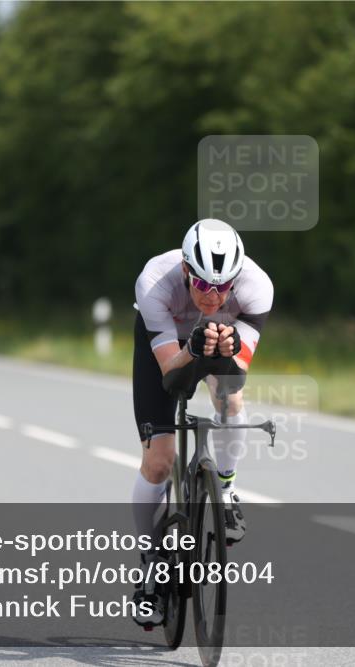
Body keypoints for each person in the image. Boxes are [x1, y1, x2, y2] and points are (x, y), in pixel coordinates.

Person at [130, 218, 273, 625]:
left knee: (230, 398)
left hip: (215, 340)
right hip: (166, 347)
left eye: (223, 286)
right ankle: (153, 566)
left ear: (237, 279)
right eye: (204, 285)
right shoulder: (156, 281)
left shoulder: (256, 287)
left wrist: (223, 352)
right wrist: (192, 348)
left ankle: (224, 487)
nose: (213, 296)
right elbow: (170, 375)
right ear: (186, 271)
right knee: (159, 461)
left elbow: (235, 374)